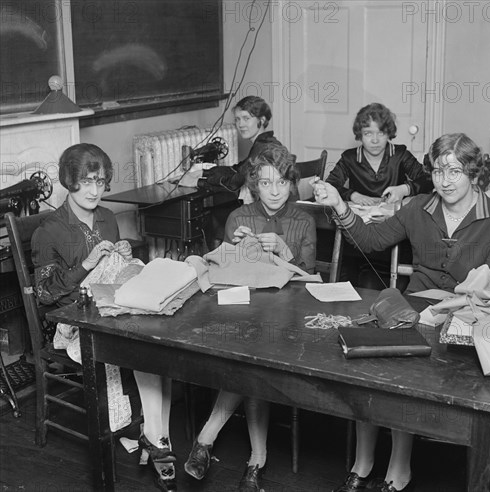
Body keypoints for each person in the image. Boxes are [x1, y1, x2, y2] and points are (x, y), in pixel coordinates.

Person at [312, 133, 490, 492]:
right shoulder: (417, 207)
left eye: (454, 171)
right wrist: (340, 206)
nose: (444, 181)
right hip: (412, 309)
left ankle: (398, 471)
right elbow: (371, 241)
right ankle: (361, 465)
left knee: (406, 372)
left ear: (473, 172)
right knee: (370, 363)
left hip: (463, 319)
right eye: (437, 171)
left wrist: (446, 313)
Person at [31, 144, 177, 492]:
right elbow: (45, 294)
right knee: (144, 346)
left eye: (101, 182)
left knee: (155, 342)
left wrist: (123, 254)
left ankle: (156, 438)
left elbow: (116, 273)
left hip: (111, 309)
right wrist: (87, 265)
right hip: (73, 321)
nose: (96, 191)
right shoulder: (50, 230)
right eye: (87, 182)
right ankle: (158, 443)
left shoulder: (107, 218)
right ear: (69, 181)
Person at [184, 144, 316, 492]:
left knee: (253, 357)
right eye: (266, 183)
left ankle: (208, 439)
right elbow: (223, 276)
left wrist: (284, 252)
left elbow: (310, 281)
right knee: (250, 353)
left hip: (290, 319)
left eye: (283, 183)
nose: (275, 192)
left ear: (292, 184)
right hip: (243, 310)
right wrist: (238, 250)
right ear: (254, 185)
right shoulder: (238, 218)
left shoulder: (304, 220)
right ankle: (256, 462)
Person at [326, 103, 432, 205]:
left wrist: (405, 189)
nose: (375, 140)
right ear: (360, 134)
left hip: (395, 217)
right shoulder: (349, 158)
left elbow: (429, 179)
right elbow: (330, 185)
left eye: (381, 133)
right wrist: (352, 195)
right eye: (368, 133)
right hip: (359, 218)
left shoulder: (401, 154)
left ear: (389, 133)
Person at [204, 95, 286, 195]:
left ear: (262, 120)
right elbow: (238, 168)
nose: (240, 124)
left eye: (246, 118)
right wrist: (203, 173)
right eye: (237, 119)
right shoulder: (266, 142)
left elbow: (233, 184)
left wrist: (198, 182)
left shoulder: (263, 148)